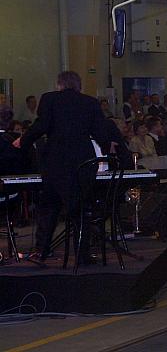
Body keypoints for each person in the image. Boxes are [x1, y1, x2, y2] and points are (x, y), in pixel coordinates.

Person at [14, 71, 108, 261]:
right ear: (78, 85)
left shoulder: (49, 99)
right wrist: (109, 147)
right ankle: (82, 254)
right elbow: (100, 131)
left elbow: (41, 126)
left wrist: (23, 141)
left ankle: (42, 250)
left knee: (49, 207)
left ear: (59, 84)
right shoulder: (90, 102)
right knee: (80, 209)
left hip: (56, 162)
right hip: (82, 161)